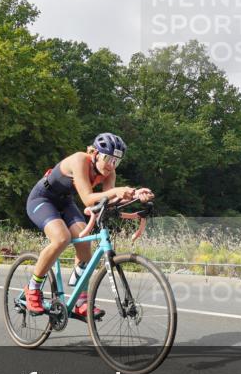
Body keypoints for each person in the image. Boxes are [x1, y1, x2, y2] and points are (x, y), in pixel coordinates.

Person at [23, 132, 154, 318]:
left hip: (65, 202)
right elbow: (87, 199)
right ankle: (33, 288)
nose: (111, 165)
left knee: (85, 242)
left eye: (116, 161)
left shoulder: (109, 172)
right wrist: (118, 191)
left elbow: (110, 201)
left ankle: (81, 300)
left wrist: (135, 194)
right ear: (95, 153)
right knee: (61, 238)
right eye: (108, 159)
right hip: (42, 199)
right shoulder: (79, 160)